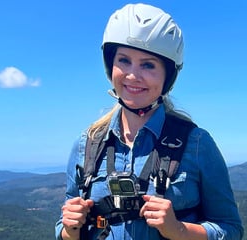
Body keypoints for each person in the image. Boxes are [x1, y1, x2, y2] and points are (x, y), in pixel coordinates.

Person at [55, 3, 244, 240]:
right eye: (124, 60)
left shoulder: (196, 144)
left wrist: (179, 230)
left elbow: (231, 229)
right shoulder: (88, 144)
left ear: (168, 75)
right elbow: (65, 228)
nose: (133, 75)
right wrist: (69, 229)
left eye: (148, 65)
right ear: (110, 65)